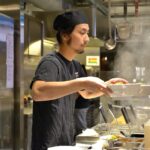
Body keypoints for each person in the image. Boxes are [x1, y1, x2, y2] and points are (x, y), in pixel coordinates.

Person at [30, 10, 128, 150]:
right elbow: (37, 92)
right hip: (47, 144)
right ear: (65, 35)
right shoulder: (51, 62)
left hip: (66, 141)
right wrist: (82, 82)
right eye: (82, 33)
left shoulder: (75, 65)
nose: (87, 38)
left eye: (87, 33)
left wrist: (106, 87)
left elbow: (86, 93)